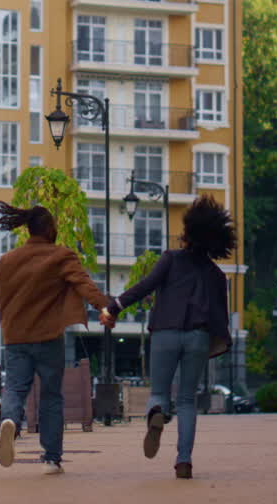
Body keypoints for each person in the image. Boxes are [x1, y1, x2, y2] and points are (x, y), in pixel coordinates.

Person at [99, 195, 236, 480]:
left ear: (188, 231)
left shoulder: (171, 259)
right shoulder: (216, 276)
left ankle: (156, 413)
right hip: (198, 337)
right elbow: (220, 319)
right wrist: (214, 346)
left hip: (165, 332)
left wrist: (114, 307)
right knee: (187, 400)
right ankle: (184, 460)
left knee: (159, 392)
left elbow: (145, 286)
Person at [0, 202, 110, 475]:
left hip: (15, 337)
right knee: (51, 396)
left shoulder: (7, 260)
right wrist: (106, 308)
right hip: (48, 337)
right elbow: (84, 285)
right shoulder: (61, 255)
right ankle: (51, 458)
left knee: (15, 388)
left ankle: (10, 421)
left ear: (29, 229)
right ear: (48, 229)